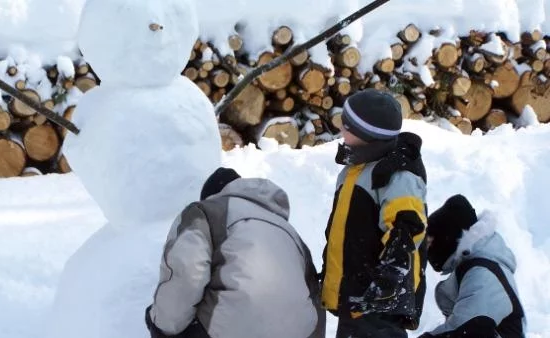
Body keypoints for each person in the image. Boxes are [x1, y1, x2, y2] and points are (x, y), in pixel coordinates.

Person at [145, 167, 325, 338]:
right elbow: (313, 292)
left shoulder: (205, 212)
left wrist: (162, 327)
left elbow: (186, 276)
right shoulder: (289, 231)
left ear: (211, 196)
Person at [320, 88, 428, 338]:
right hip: (357, 296)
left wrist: (389, 277)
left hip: (379, 300)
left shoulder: (397, 174)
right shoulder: (356, 168)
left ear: (364, 134)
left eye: (345, 126)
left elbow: (406, 226)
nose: (340, 130)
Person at [419, 194, 526, 338]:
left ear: (448, 236)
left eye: (430, 243)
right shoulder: (476, 268)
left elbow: (466, 328)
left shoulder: (482, 273)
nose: (428, 252)